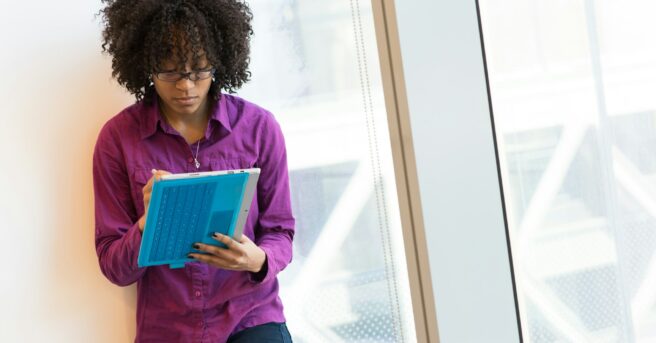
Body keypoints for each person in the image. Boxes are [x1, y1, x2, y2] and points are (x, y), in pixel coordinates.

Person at [93, 1, 295, 342]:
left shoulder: (259, 128)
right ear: (147, 67)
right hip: (168, 328)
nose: (186, 87)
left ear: (218, 61)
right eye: (170, 72)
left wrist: (258, 259)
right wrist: (148, 221)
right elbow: (114, 265)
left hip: (250, 316)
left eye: (199, 70)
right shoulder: (118, 140)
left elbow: (281, 231)